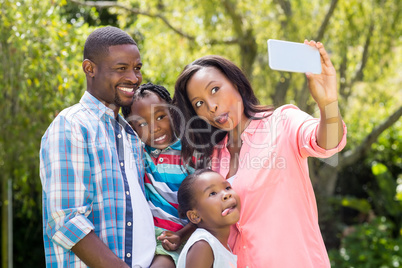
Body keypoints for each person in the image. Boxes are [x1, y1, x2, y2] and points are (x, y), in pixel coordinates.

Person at [173, 40, 347, 267]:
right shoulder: (212, 158)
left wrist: (328, 104)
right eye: (199, 103)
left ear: (236, 83)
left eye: (215, 90)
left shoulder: (282, 122)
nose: (211, 107)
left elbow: (327, 142)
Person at [39, 26, 156, 268]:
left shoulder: (131, 135)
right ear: (89, 69)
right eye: (121, 68)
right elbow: (66, 221)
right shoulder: (71, 125)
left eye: (137, 69)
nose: (134, 78)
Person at [122, 82, 195, 268]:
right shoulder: (139, 154)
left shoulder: (188, 154)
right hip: (143, 240)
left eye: (161, 116)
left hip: (177, 238)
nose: (154, 128)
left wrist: (181, 235)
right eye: (143, 123)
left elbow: (203, 208)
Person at [176, 168, 240, 268]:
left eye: (227, 187)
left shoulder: (218, 245)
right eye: (213, 193)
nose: (226, 195)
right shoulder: (203, 245)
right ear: (195, 216)